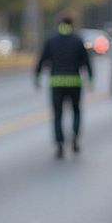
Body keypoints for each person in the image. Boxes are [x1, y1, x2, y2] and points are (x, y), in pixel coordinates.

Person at [34, 15, 93, 158]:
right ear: (72, 24)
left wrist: (36, 77)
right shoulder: (78, 40)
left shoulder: (51, 40)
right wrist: (90, 79)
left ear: (59, 24)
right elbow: (86, 62)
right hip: (74, 82)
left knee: (58, 114)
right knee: (76, 111)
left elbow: (42, 60)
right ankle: (75, 135)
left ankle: (60, 143)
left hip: (57, 82)